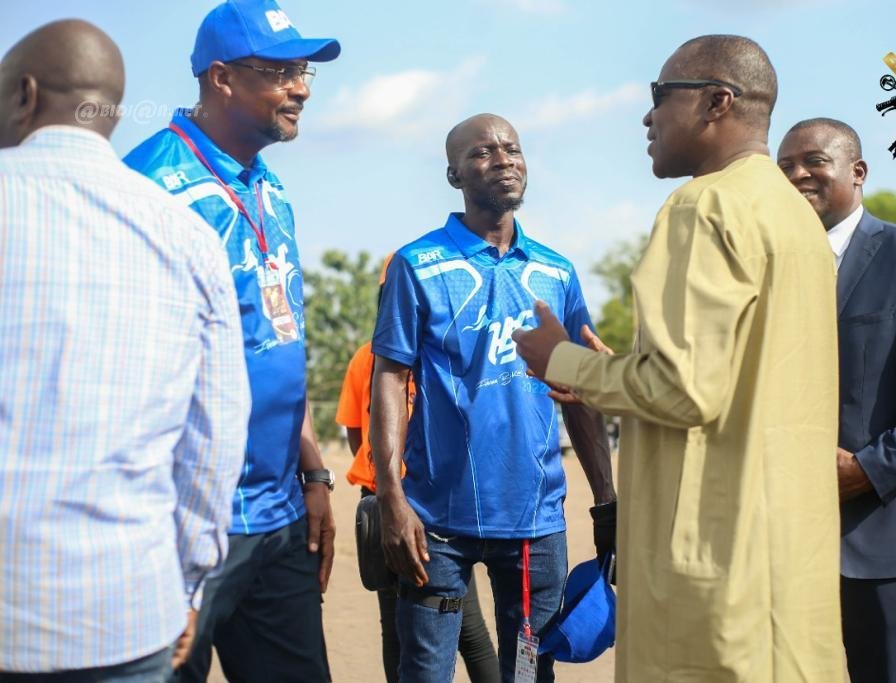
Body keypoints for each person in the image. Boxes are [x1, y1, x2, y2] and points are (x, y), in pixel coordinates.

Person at [514, 34, 844, 681]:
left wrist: (563, 361)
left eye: (660, 97)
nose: (647, 117)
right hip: (788, 576)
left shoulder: (706, 205)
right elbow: (739, 378)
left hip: (716, 578)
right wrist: (613, 379)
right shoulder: (793, 215)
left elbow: (685, 389)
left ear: (718, 101)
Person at [0, 19, 248, 681]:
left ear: (23, 96)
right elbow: (215, 439)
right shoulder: (187, 235)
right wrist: (188, 582)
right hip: (124, 613)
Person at [124, 1, 340, 680]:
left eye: (302, 70)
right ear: (220, 78)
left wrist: (312, 469)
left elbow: (282, 339)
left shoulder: (271, 191)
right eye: (279, 71)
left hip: (277, 517)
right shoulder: (150, 189)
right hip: (179, 523)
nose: (301, 86)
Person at [370, 113, 614, 682]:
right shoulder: (417, 264)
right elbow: (389, 377)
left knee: (528, 673)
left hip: (534, 520)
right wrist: (391, 498)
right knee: (427, 669)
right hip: (434, 522)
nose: (502, 159)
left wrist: (606, 498)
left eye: (512, 148)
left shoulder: (556, 272)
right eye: (482, 152)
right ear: (454, 174)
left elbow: (579, 388)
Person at [335, 255, 500, 683]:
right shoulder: (364, 358)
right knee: (407, 623)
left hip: (430, 503)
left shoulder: (441, 353)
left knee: (462, 623)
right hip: (389, 502)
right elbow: (361, 432)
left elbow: (360, 439)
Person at [778, 118, 896, 683]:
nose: (797, 174)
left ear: (858, 171)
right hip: (783, 549)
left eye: (813, 162)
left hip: (881, 545)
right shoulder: (764, 271)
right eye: (784, 167)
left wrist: (870, 469)